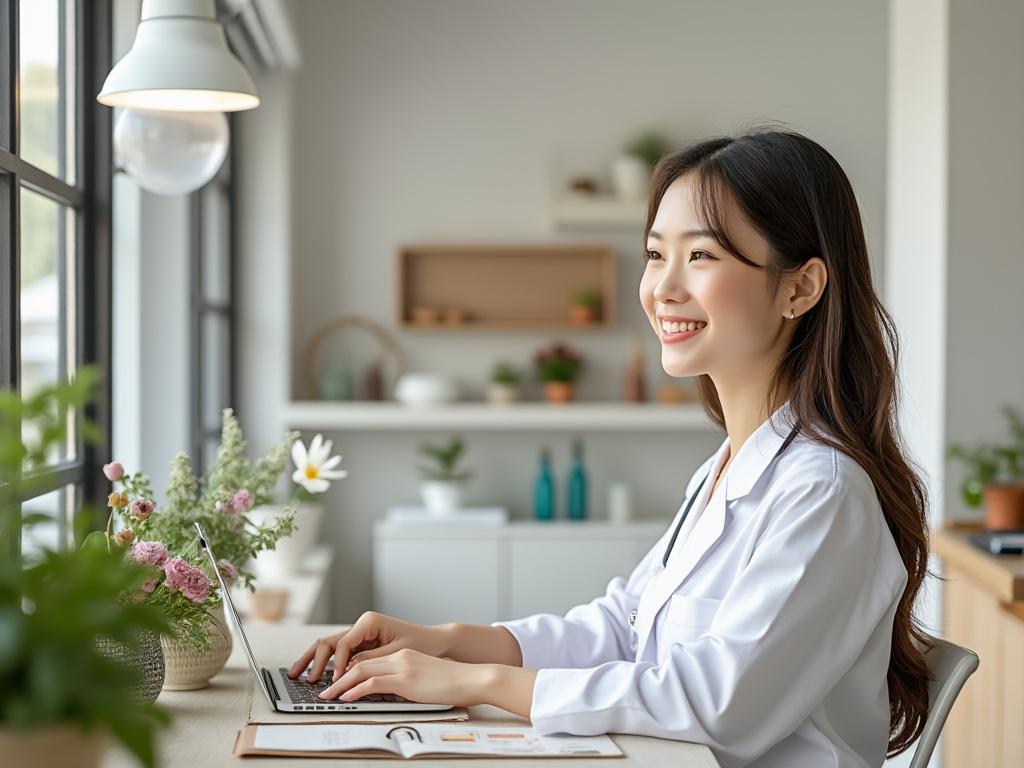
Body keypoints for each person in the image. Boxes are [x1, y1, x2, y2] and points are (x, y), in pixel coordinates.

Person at [288, 129, 931, 768]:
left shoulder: (822, 489)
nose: (663, 289)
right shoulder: (729, 466)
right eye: (656, 255)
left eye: (701, 257)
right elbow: (626, 627)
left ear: (801, 287)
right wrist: (452, 642)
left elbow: (718, 704)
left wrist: (475, 684)